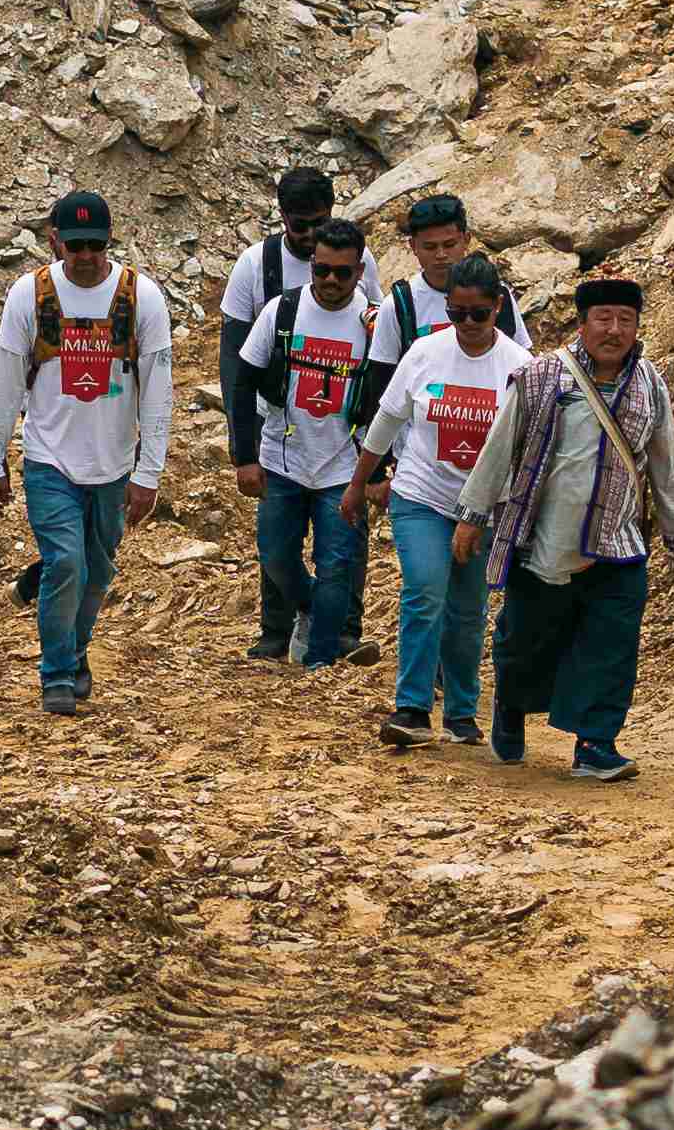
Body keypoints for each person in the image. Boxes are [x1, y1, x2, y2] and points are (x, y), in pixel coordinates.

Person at [453, 277, 674, 782]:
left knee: (612, 644)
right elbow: (500, 448)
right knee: (528, 641)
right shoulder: (542, 378)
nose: (614, 330)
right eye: (603, 319)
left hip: (619, 541)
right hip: (543, 541)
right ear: (582, 324)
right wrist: (472, 517)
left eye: (625, 320)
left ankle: (595, 745)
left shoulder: (650, 384)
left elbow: (665, 462)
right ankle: (511, 706)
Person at [0, 190, 174, 715]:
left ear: (110, 240)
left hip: (113, 463)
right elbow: (7, 382)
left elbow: (158, 389)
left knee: (98, 569)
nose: (85, 256)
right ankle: (58, 672)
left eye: (94, 245)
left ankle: (74, 648)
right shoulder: (30, 296)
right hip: (50, 459)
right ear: (53, 241)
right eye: (74, 245)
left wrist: (149, 471)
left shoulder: (141, 299)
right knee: (66, 562)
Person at [346, 253, 527, 746]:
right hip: (421, 494)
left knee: (468, 610)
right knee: (425, 593)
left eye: (479, 314)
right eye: (456, 313)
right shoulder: (425, 353)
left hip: (483, 504)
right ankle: (412, 708)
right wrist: (360, 481)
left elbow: (527, 449)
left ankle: (463, 712)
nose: (467, 324)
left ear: (497, 308)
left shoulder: (519, 367)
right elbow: (386, 420)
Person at [214, 168, 380, 660]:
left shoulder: (363, 283)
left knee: (341, 551)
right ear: (283, 217)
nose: (311, 242)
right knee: (277, 546)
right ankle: (279, 625)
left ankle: (335, 637)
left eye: (319, 224)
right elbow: (236, 363)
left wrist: (379, 460)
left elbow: (384, 375)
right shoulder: (257, 269)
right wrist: (240, 446)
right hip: (278, 427)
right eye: (300, 226)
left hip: (341, 441)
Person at [358, 192, 527, 419]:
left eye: (449, 244)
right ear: (413, 246)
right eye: (429, 247)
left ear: (466, 240)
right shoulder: (399, 305)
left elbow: (522, 368)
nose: (441, 255)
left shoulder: (497, 295)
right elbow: (381, 381)